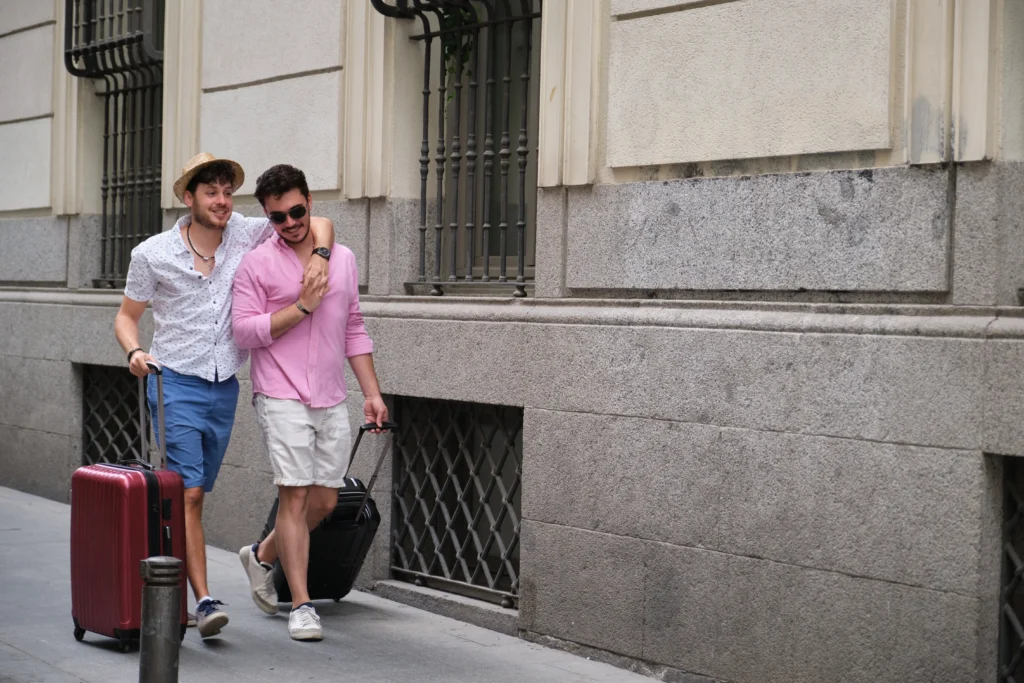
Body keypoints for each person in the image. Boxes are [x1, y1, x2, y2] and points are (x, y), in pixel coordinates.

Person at [114, 153, 336, 639]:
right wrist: (135, 351)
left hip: (223, 388)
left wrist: (320, 257)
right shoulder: (151, 253)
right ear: (189, 197)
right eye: (210, 192)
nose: (221, 200)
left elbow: (317, 219)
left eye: (226, 191)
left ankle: (235, 568)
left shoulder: (245, 231)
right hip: (173, 381)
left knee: (201, 491)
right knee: (188, 494)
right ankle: (204, 599)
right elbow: (126, 316)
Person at [231, 164, 388, 641]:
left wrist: (372, 393)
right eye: (278, 217)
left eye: (297, 211)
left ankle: (261, 555)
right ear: (267, 217)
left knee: (323, 499)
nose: (291, 222)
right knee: (294, 494)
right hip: (279, 392)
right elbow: (243, 331)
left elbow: (353, 326)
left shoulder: (341, 258)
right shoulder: (256, 264)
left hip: (331, 393)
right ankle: (300, 604)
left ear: (310, 203)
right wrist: (300, 308)